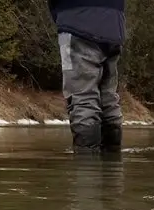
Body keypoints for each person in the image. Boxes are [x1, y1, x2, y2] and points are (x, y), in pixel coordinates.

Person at [48, 0, 125, 153]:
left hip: (76, 21)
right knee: (108, 98)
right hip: (114, 24)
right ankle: (113, 161)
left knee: (82, 98)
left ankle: (87, 165)